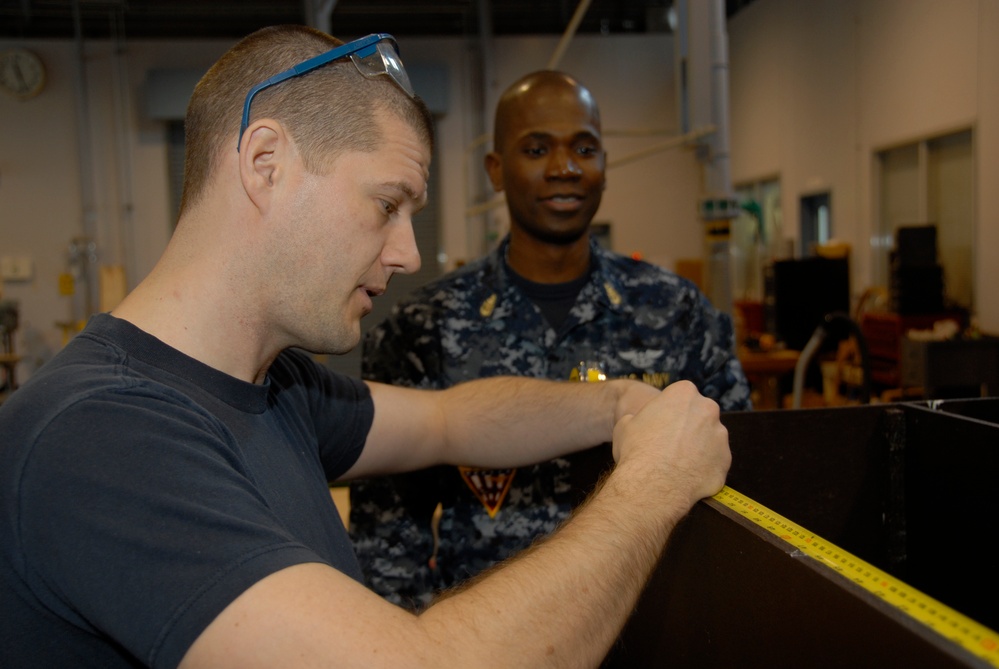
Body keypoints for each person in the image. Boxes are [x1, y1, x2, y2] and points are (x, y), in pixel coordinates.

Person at [0, 27, 730, 669]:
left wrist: (617, 405)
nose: (409, 252)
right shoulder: (103, 435)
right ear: (264, 164)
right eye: (386, 205)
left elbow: (452, 421)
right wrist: (651, 484)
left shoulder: (277, 386)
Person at [350, 70, 751, 609]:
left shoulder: (678, 312)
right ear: (496, 170)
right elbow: (387, 541)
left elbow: (739, 476)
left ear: (605, 165)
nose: (564, 168)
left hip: (649, 626)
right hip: (489, 639)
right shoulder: (425, 326)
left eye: (584, 148)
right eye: (537, 149)